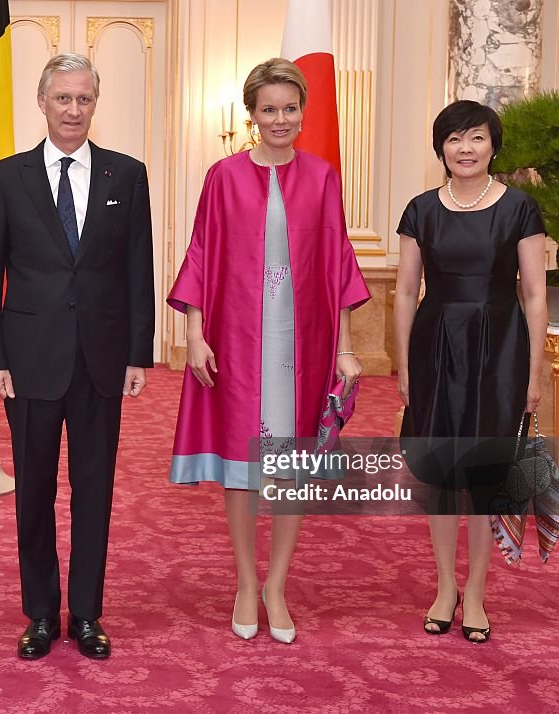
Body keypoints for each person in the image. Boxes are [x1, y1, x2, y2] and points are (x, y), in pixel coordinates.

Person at [168, 58, 370, 644]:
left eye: (289, 108)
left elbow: (338, 267)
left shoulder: (324, 176)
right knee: (242, 466)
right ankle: (243, 582)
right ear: (251, 114)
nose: (280, 118)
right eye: (268, 109)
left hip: (301, 343)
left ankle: (277, 585)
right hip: (233, 337)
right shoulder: (224, 176)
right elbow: (202, 253)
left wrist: (345, 349)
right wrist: (194, 333)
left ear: (302, 112)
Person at [0, 53, 154, 661]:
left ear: (94, 104)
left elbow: (138, 270)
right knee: (34, 492)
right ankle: (42, 612)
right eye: (63, 99)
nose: (73, 110)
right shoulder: (4, 177)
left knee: (94, 488)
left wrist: (138, 353)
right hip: (28, 362)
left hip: (102, 359)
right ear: (42, 102)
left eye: (83, 99)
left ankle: (87, 613)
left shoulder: (126, 176)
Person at [393, 100, 547, 643]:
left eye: (476, 138)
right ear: (441, 147)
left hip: (501, 347)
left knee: (484, 475)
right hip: (436, 346)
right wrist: (404, 366)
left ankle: (476, 593)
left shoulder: (520, 208)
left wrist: (535, 371)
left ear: (493, 145)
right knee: (439, 474)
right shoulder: (420, 210)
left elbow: (534, 294)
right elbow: (407, 291)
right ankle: (443, 587)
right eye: (455, 139)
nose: (465, 149)